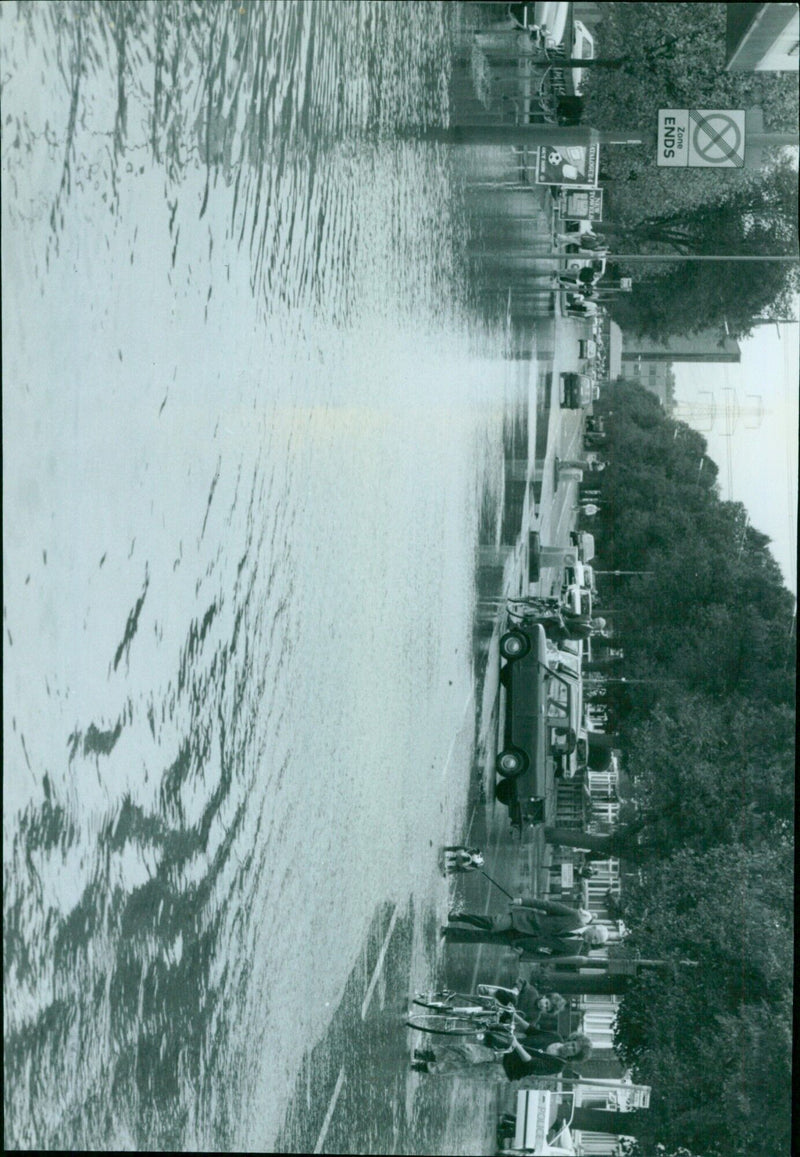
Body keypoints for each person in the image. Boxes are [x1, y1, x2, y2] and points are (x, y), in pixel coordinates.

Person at [443, 897, 609, 956]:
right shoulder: (575, 916)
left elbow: (547, 956)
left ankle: (449, 934)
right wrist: (522, 901)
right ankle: (459, 916)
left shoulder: (574, 949)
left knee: (484, 937)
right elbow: (548, 906)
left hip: (522, 941)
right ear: (593, 928)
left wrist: (524, 953)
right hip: (524, 920)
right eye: (594, 935)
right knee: (493, 923)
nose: (591, 939)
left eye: (594, 941)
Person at [411, 1030, 592, 1079]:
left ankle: (425, 1068)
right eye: (573, 1043)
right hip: (503, 1050)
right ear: (572, 1039)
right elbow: (531, 1029)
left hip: (506, 1070)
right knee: (468, 1052)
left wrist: (516, 1044)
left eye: (574, 1050)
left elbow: (532, 1065)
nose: (570, 1047)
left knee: (465, 1068)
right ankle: (428, 1054)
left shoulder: (558, 1065)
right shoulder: (555, 1036)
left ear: (573, 1057)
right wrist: (513, 1013)